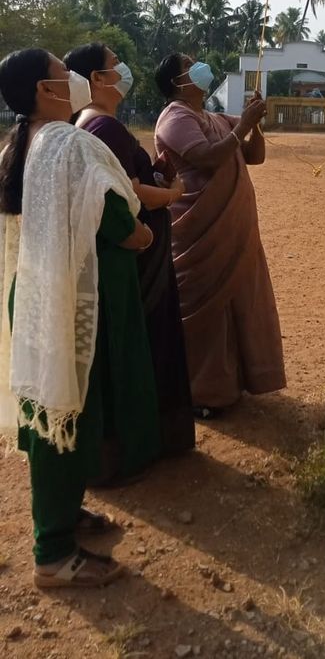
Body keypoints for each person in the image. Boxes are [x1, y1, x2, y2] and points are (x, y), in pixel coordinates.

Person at [0, 48, 161, 588]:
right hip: (65, 297)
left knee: (55, 408)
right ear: (46, 91)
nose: (71, 78)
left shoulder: (23, 142)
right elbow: (112, 212)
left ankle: (64, 514)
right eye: (60, 72)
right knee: (63, 410)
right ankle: (52, 553)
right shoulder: (66, 143)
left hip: (39, 290)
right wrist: (139, 234)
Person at [64, 42, 195, 456]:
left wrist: (156, 172)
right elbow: (129, 194)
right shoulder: (104, 127)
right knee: (149, 339)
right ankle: (146, 439)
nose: (123, 69)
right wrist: (172, 193)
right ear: (98, 79)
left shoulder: (90, 124)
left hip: (129, 248)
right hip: (137, 248)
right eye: (115, 63)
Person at [154, 53, 286, 419]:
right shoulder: (175, 117)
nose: (199, 67)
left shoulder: (214, 117)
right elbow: (208, 157)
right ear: (177, 82)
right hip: (197, 229)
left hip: (232, 226)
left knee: (239, 302)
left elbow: (253, 156)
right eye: (189, 65)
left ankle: (236, 381)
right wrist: (243, 124)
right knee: (204, 310)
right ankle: (202, 391)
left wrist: (255, 125)